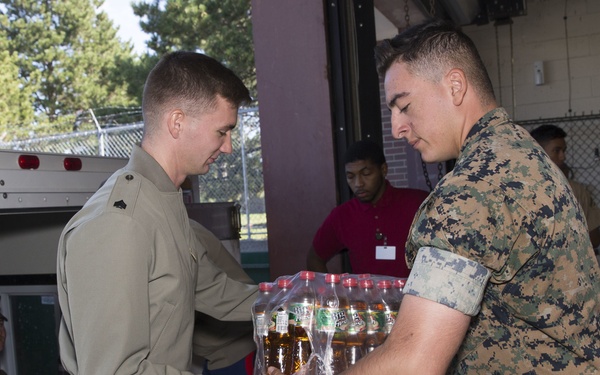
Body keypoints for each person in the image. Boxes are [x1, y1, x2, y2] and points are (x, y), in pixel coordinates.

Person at [270, 18, 600, 375]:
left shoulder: (472, 188)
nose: (396, 128)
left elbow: (413, 363)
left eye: (404, 105)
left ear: (455, 86)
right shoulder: (521, 153)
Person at [57, 51, 259, 374]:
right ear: (177, 122)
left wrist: (288, 299)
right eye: (222, 131)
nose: (228, 147)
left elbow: (210, 289)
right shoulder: (119, 223)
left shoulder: (164, 199)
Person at [306, 139, 429, 278]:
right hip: (364, 299)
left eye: (366, 174)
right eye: (351, 177)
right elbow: (314, 258)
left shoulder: (416, 203)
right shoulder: (342, 216)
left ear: (383, 170)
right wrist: (331, 293)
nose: (358, 183)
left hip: (413, 298)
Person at [189, 219, 256, 375]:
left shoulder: (180, 232)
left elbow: (210, 294)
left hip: (234, 348)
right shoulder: (173, 227)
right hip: (216, 352)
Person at [529, 124, 600, 251]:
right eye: (557, 150)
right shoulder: (575, 189)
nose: (563, 156)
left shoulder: (576, 190)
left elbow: (594, 237)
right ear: (539, 151)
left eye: (564, 150)